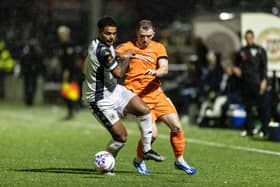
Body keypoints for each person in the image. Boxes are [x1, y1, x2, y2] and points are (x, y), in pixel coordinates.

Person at [82, 17, 164, 175]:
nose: (111, 37)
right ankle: (105, 165)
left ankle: (146, 150)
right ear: (100, 32)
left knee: (144, 110)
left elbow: (109, 61)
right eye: (107, 34)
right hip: (100, 99)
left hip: (113, 89)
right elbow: (119, 72)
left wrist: (120, 55)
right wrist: (126, 58)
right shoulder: (102, 50)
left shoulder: (100, 44)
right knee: (121, 137)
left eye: (114, 33)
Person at [116, 19, 196, 175]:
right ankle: (139, 160)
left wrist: (155, 72)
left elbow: (164, 69)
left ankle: (179, 160)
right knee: (152, 134)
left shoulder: (159, 47)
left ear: (153, 34)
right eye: (142, 36)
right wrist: (122, 57)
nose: (145, 39)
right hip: (137, 98)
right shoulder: (126, 47)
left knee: (176, 126)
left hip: (156, 94)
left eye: (148, 36)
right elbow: (109, 56)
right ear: (136, 34)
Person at [233, 29, 270, 137]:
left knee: (261, 107)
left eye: (250, 37)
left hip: (257, 82)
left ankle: (264, 129)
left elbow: (264, 67)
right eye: (247, 38)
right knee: (248, 107)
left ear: (253, 38)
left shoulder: (260, 50)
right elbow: (236, 65)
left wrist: (264, 80)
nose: (248, 39)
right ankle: (250, 129)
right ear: (245, 38)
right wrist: (236, 70)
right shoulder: (241, 51)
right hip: (245, 83)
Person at [56, 25, 80, 120]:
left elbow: (71, 61)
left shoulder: (69, 45)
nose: (60, 35)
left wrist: (67, 71)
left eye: (62, 34)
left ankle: (72, 110)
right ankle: (72, 110)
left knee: (69, 92)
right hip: (65, 71)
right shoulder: (61, 45)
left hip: (70, 72)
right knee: (67, 92)